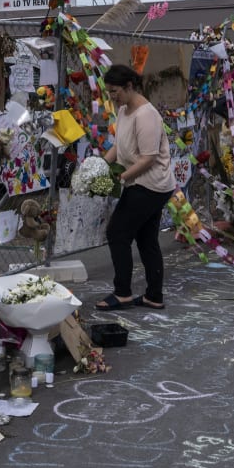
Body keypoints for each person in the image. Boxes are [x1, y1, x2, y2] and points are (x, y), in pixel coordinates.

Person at [95, 64, 176, 311]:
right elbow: (119, 146)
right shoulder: (124, 110)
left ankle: (122, 293)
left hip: (150, 185)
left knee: (117, 233)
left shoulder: (146, 115)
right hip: (140, 182)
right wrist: (98, 166)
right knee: (146, 239)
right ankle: (154, 295)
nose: (112, 96)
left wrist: (120, 178)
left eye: (115, 91)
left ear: (129, 86)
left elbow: (148, 158)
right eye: (108, 92)